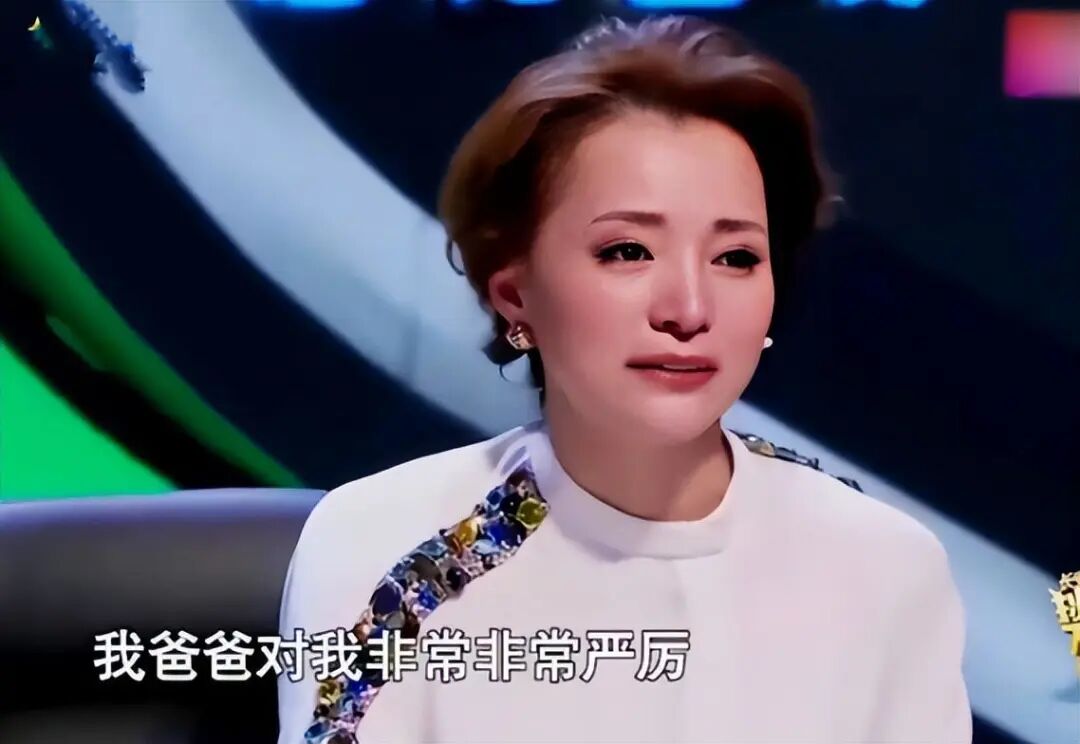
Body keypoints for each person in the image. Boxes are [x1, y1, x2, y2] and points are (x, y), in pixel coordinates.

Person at [277, 14, 971, 744]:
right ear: (515, 294)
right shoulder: (381, 546)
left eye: (735, 258)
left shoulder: (884, 566)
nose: (689, 309)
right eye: (628, 251)